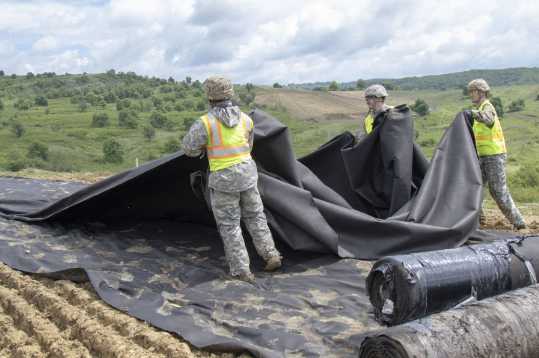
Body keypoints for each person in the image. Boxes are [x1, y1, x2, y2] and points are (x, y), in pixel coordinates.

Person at [181, 76, 282, 283]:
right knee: (256, 217)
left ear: (209, 97)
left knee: (230, 225)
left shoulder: (205, 123)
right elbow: (248, 146)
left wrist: (204, 149)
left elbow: (189, 149)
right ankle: (271, 254)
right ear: (231, 93)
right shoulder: (246, 119)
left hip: (223, 180)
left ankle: (242, 270)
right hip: (247, 175)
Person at [467, 78, 526, 230]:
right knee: (474, 186)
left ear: (481, 92)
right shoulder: (480, 108)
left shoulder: (487, 108)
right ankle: (478, 220)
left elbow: (488, 119)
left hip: (494, 156)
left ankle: (519, 223)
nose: (470, 95)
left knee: (498, 191)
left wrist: (472, 114)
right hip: (482, 156)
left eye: (472, 92)